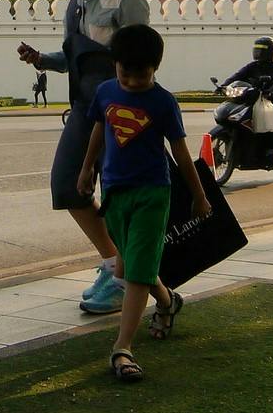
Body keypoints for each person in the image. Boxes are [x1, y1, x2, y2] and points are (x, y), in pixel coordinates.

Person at [17, 0, 150, 314]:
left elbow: (140, 60)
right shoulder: (75, 4)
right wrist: (41, 59)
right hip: (83, 108)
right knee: (67, 186)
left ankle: (125, 278)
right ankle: (114, 264)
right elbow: (74, 58)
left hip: (120, 111)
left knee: (118, 196)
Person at [76, 23, 210, 383]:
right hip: (115, 193)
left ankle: (123, 348)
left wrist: (199, 195)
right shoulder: (105, 93)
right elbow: (99, 130)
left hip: (153, 194)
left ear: (156, 69)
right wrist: (87, 168)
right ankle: (167, 301)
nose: (133, 81)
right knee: (130, 267)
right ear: (115, 65)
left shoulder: (163, 102)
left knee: (134, 272)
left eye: (143, 74)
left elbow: (180, 151)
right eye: (126, 73)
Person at [220, 36, 273, 128]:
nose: (258, 53)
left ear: (270, 51)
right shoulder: (253, 66)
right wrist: (224, 86)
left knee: (269, 124)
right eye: (257, 49)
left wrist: (271, 91)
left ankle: (271, 141)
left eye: (261, 50)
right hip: (255, 98)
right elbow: (238, 75)